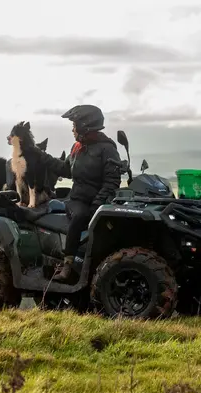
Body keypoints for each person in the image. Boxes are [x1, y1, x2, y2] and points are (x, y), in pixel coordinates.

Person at [39, 104, 122, 283]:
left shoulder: (107, 149)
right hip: (78, 200)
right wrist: (42, 157)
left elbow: (112, 182)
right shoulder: (77, 147)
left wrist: (97, 204)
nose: (72, 129)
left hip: (99, 201)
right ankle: (68, 265)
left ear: (86, 125)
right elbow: (65, 169)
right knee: (80, 216)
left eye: (74, 125)